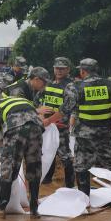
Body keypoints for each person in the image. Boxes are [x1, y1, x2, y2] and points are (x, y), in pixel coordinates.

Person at [61, 58, 111, 207]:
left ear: (82, 71)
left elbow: (67, 109)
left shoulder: (74, 86)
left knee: (81, 166)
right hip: (104, 134)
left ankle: (85, 201)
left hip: (83, 135)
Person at [0, 91, 43, 219]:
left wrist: (2, 156)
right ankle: (34, 209)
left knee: (8, 168)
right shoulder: (20, 100)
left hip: (15, 128)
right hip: (37, 128)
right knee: (34, 167)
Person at [38, 57, 74, 186]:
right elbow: (38, 100)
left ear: (68, 70)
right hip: (47, 124)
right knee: (48, 150)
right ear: (53, 69)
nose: (59, 71)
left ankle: (70, 183)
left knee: (64, 154)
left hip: (61, 125)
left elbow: (67, 108)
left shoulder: (70, 86)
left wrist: (50, 120)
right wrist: (40, 113)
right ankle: (47, 177)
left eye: (62, 69)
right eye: (57, 68)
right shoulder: (48, 84)